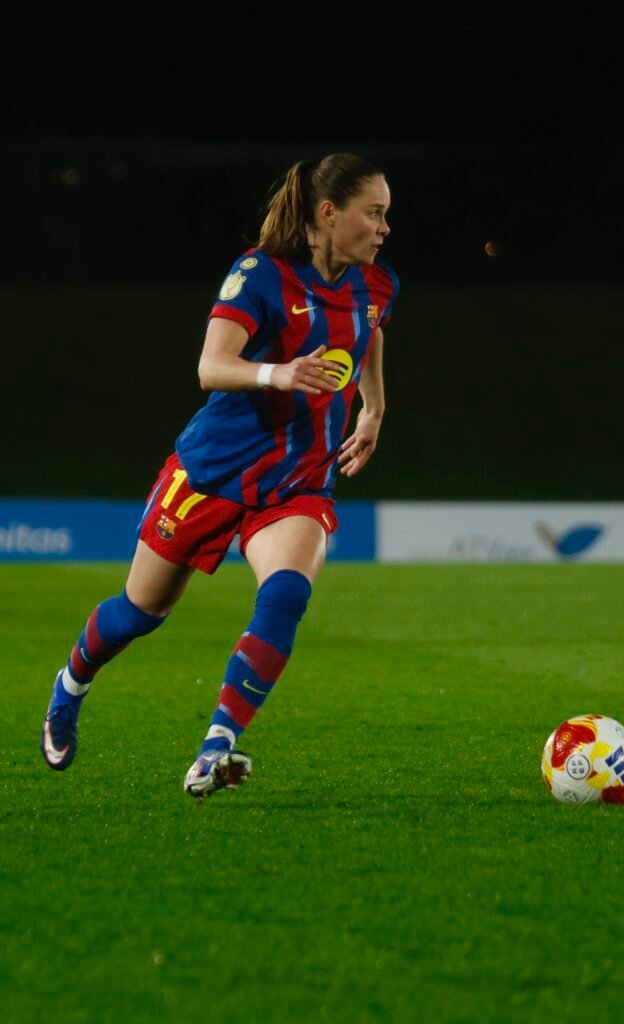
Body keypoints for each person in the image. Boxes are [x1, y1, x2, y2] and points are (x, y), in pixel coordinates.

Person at [40, 152, 399, 798]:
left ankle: (216, 747)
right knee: (139, 612)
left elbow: (370, 332)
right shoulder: (259, 275)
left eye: (385, 215)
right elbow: (211, 366)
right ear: (328, 213)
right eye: (373, 213)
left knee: (285, 595)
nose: (384, 228)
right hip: (211, 472)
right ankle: (70, 685)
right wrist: (278, 373)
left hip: (297, 482)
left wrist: (373, 407)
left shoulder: (376, 284)